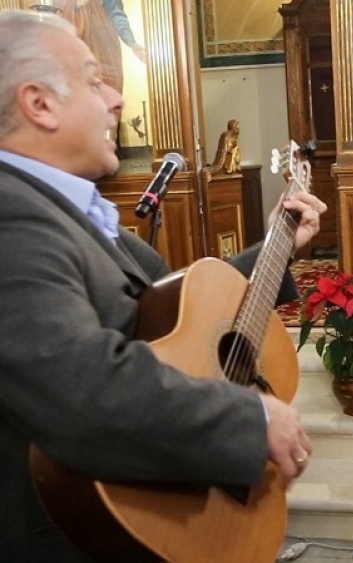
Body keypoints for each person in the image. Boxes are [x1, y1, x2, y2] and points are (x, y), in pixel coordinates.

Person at [0, 11, 322, 561]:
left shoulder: (58, 209)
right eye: (95, 79)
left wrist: (276, 248)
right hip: (70, 532)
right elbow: (77, 385)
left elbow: (167, 312)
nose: (117, 99)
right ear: (40, 104)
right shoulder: (12, 214)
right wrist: (252, 416)